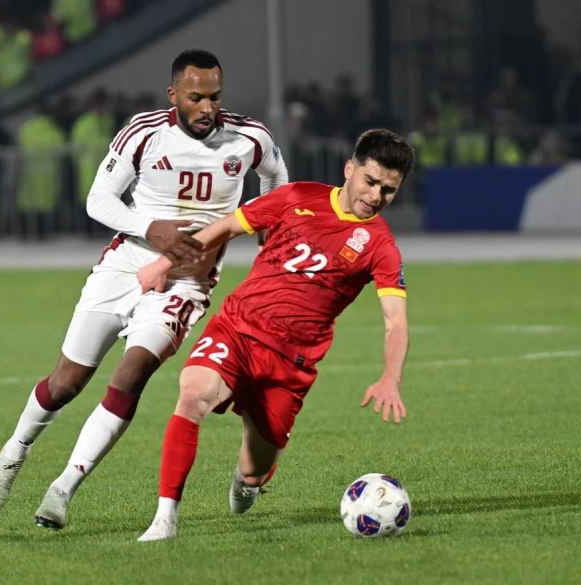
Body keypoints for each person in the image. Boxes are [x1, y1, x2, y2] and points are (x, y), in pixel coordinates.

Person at [0, 49, 289, 529]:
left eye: (215, 97)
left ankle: (63, 488)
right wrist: (150, 227)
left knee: (131, 374)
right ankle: (15, 451)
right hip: (124, 265)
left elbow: (276, 178)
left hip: (186, 283)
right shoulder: (144, 132)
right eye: (196, 97)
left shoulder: (249, 137)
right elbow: (98, 199)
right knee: (66, 383)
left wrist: (269, 227)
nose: (208, 108)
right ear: (173, 95)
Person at [135, 128, 415, 541]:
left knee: (254, 470)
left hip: (290, 363)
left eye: (388, 190)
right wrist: (165, 263)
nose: (375, 196)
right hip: (238, 329)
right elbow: (225, 227)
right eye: (370, 182)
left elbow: (396, 321)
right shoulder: (297, 196)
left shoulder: (380, 246)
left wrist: (390, 377)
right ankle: (164, 519)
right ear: (349, 169)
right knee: (193, 394)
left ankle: (249, 480)